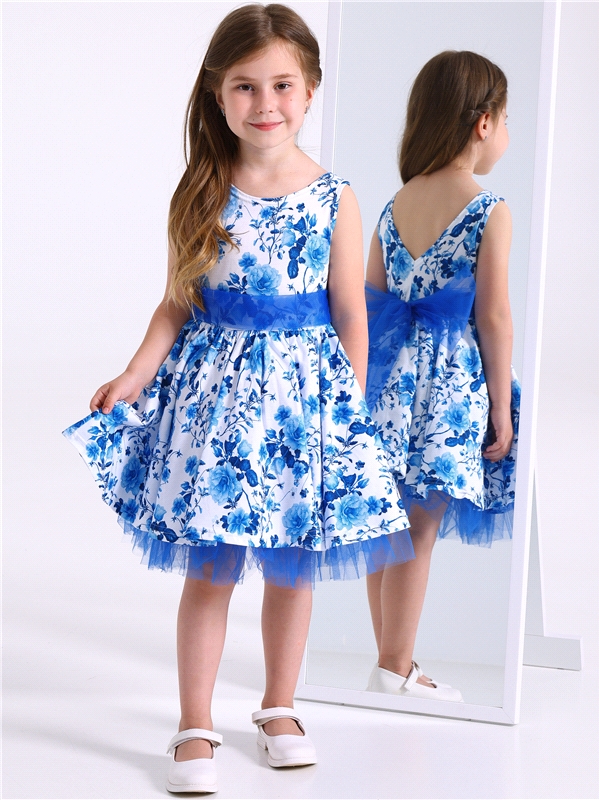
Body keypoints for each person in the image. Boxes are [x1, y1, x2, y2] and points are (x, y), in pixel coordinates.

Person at [63, 4, 413, 793]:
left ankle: (279, 706)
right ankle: (194, 722)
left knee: (292, 569)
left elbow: (350, 313)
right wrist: (134, 373)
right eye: (245, 86)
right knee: (212, 567)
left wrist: (349, 413)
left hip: (302, 409)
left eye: (282, 84)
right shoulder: (202, 189)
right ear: (217, 95)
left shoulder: (334, 196)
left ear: (310, 89)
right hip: (215, 409)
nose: (265, 103)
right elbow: (175, 304)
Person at [364, 51, 520, 703]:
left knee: (388, 524)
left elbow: (371, 305)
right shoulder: (487, 209)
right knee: (420, 527)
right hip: (448, 386)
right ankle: (396, 669)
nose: (505, 132)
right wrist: (500, 405)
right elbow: (494, 316)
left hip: (387, 383)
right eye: (505, 119)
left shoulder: (393, 205)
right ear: (482, 123)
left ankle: (389, 663)